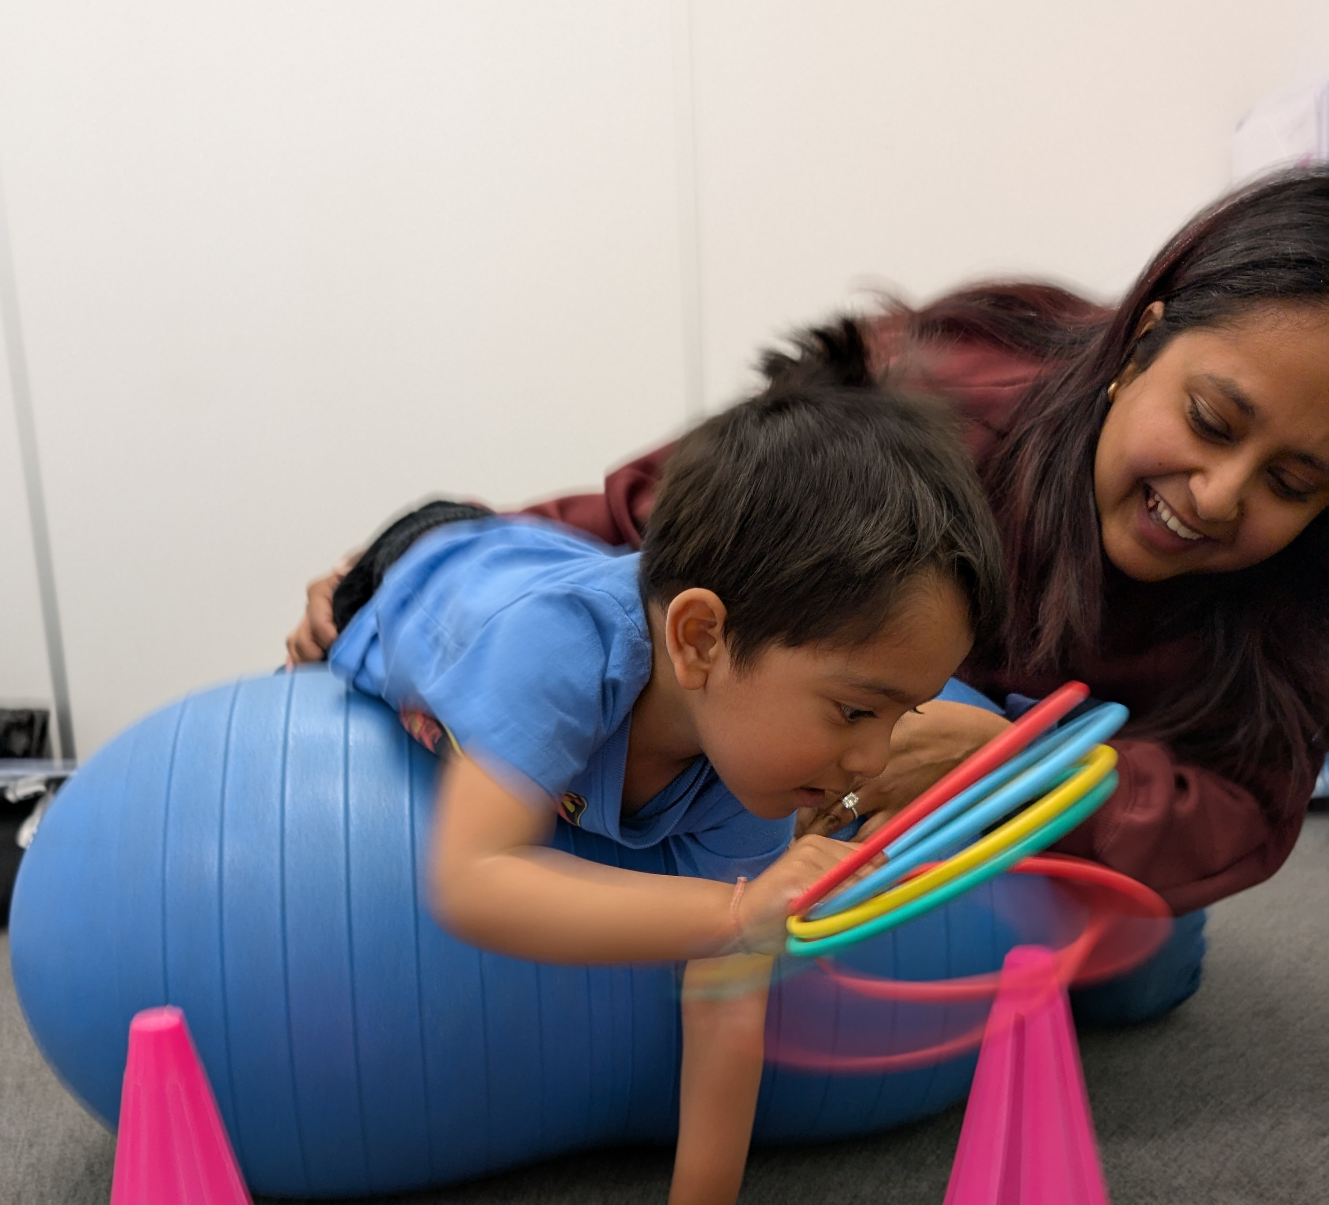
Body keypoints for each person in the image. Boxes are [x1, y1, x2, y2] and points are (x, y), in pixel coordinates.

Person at [290, 168, 1329, 990]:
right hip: (522, 593)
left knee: (1141, 973)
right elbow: (681, 527)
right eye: (1209, 421)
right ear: (1140, 346)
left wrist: (1017, 768)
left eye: (1291, 481)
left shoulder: (1285, 599)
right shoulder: (932, 407)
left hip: (1006, 791)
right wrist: (416, 573)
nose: (1217, 495)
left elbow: (1243, 807)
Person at [326, 356, 1003, 1205]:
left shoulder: (751, 767)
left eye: (902, 717)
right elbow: (472, 880)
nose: (872, 761)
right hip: (430, 563)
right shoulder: (552, 653)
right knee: (343, 625)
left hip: (560, 562)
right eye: (857, 711)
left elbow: (726, 989)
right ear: (698, 643)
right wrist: (733, 908)